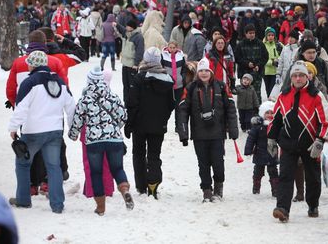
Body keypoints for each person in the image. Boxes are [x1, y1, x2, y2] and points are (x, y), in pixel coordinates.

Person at [7, 50, 75, 213]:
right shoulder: (60, 82)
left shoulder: (29, 82)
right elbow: (71, 106)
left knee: (23, 163)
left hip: (33, 132)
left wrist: (13, 127)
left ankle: (23, 200)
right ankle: (57, 204)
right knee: (53, 166)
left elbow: (21, 107)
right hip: (55, 131)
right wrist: (72, 128)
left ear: (32, 65)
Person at [268, 61, 328, 223]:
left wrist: (320, 140)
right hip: (288, 143)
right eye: (295, 75)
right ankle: (282, 208)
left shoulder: (316, 96)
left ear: (307, 76)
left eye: (301, 75)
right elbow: (276, 120)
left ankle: (313, 205)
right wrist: (271, 138)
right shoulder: (283, 95)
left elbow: (325, 121)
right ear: (291, 77)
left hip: (310, 144)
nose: (298, 78)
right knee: (285, 176)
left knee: (313, 177)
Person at [68, 67, 134, 216]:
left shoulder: (85, 99)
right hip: (114, 140)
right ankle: (124, 191)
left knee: (96, 173)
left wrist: (73, 135)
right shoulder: (113, 96)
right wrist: (114, 129)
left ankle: (101, 207)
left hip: (94, 142)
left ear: (89, 81)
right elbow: (124, 116)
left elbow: (78, 120)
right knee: (117, 169)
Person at [177, 57, 239, 202]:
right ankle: (206, 190)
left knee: (218, 163)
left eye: (207, 70)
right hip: (199, 134)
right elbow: (182, 111)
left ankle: (218, 188)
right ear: (197, 73)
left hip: (217, 133)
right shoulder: (190, 88)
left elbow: (230, 109)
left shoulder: (222, 86)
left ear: (211, 72)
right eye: (201, 71)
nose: (204, 73)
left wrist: (233, 129)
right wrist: (183, 132)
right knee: (203, 164)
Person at [124, 47, 174, 199]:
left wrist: (129, 123)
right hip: (158, 125)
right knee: (154, 154)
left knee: (138, 154)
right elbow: (171, 104)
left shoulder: (139, 78)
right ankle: (153, 183)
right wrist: (163, 118)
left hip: (140, 124)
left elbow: (132, 102)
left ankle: (141, 186)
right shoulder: (167, 79)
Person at [281, 40, 328, 113]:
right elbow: (286, 85)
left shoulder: (322, 64)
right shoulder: (295, 66)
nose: (312, 55)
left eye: (314, 52)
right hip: (298, 104)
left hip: (320, 102)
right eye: (309, 52)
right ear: (302, 53)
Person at [245, 100, 279, 197]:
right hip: (259, 152)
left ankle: (275, 190)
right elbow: (251, 138)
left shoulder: (276, 125)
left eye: (271, 113)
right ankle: (256, 187)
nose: (269, 115)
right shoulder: (258, 127)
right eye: (267, 113)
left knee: (273, 172)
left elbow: (281, 138)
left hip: (272, 152)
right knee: (258, 171)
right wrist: (248, 149)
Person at [235, 24, 269, 98]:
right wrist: (247, 63)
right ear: (246, 34)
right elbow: (237, 58)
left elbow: (265, 57)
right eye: (250, 33)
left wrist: (258, 65)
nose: (252, 35)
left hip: (257, 73)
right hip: (244, 73)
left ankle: (257, 109)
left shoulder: (260, 43)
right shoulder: (240, 44)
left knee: (256, 95)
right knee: (244, 95)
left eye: (253, 33)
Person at [117, 19, 145, 99]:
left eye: (127, 26)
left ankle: (132, 102)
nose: (126, 27)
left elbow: (140, 51)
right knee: (125, 85)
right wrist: (116, 25)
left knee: (132, 85)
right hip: (125, 64)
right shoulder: (127, 34)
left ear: (132, 27)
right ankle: (126, 102)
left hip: (132, 65)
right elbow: (121, 29)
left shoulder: (138, 37)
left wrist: (136, 64)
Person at [263, 28, 282, 97]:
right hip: (266, 72)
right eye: (269, 35)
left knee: (273, 90)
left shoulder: (278, 45)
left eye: (272, 35)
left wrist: (278, 60)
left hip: (275, 72)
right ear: (266, 36)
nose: (270, 37)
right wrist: (271, 62)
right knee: (268, 90)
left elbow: (283, 55)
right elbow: (262, 58)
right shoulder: (263, 45)